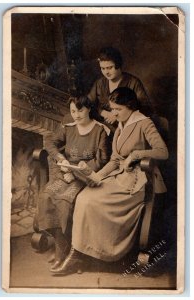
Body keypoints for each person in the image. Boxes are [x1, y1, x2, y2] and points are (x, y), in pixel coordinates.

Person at [50, 87, 169, 275]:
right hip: (119, 176)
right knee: (84, 198)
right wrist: (97, 176)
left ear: (130, 106)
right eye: (112, 109)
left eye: (117, 109)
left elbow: (163, 152)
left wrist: (137, 154)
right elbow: (115, 159)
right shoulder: (121, 124)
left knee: (92, 201)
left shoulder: (144, 123)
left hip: (138, 180)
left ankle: (84, 254)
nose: (113, 113)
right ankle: (80, 252)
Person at [35, 95, 110, 272]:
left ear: (89, 109)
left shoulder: (100, 130)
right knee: (46, 196)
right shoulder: (68, 127)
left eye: (80, 110)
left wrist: (82, 169)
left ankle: (66, 253)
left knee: (64, 202)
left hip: (85, 177)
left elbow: (103, 159)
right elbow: (51, 143)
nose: (76, 115)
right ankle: (63, 247)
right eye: (73, 111)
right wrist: (60, 158)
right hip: (66, 173)